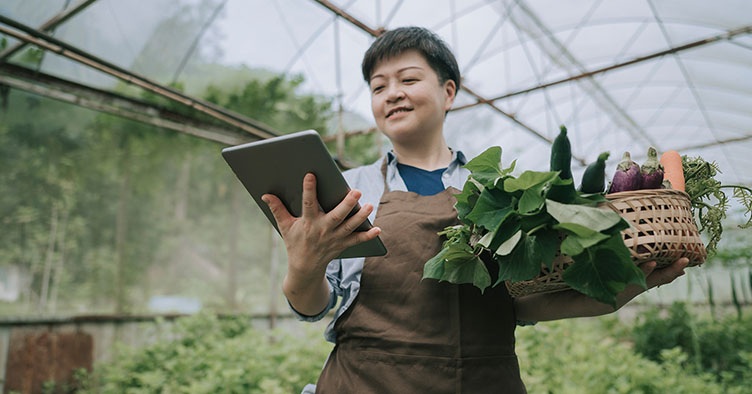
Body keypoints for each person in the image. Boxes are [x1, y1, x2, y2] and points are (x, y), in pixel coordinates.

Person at [262, 26, 689, 394]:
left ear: (448, 91)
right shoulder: (351, 190)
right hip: (363, 383)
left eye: (408, 79)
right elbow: (313, 306)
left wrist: (617, 293)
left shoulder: (498, 188)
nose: (392, 94)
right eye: (378, 86)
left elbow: (518, 306)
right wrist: (304, 265)